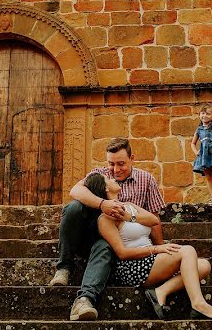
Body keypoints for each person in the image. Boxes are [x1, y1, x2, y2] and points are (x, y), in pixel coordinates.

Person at [85, 172, 212, 320]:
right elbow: (122, 253)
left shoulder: (128, 206)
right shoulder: (105, 220)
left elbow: (153, 220)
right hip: (132, 267)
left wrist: (129, 216)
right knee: (188, 251)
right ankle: (199, 304)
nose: (113, 178)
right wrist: (157, 249)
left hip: (151, 260)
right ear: (105, 189)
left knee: (204, 265)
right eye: (108, 179)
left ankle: (161, 291)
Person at [48, 137, 166, 321]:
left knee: (105, 245)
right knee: (73, 208)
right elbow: (75, 191)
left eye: (121, 164)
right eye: (111, 164)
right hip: (90, 234)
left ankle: (84, 300)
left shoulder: (146, 180)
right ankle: (64, 267)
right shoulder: (100, 174)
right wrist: (103, 204)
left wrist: (160, 248)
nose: (115, 170)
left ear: (132, 158)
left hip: (116, 242)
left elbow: (154, 218)